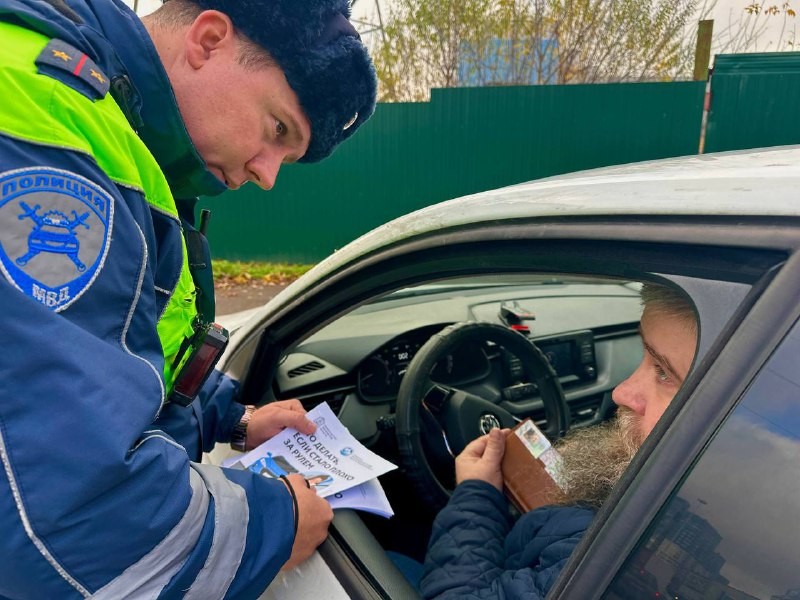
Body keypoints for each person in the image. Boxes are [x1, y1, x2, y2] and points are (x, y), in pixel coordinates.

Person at [0, 0, 376, 597]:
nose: (268, 175)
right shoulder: (48, 125)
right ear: (209, 40)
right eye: (278, 130)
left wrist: (229, 416)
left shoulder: (114, 131)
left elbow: (122, 346)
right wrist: (275, 524)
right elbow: (62, 526)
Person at [420, 283, 698, 599]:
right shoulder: (669, 503)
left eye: (662, 372)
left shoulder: (592, 552)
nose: (620, 392)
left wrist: (476, 493)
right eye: (642, 354)